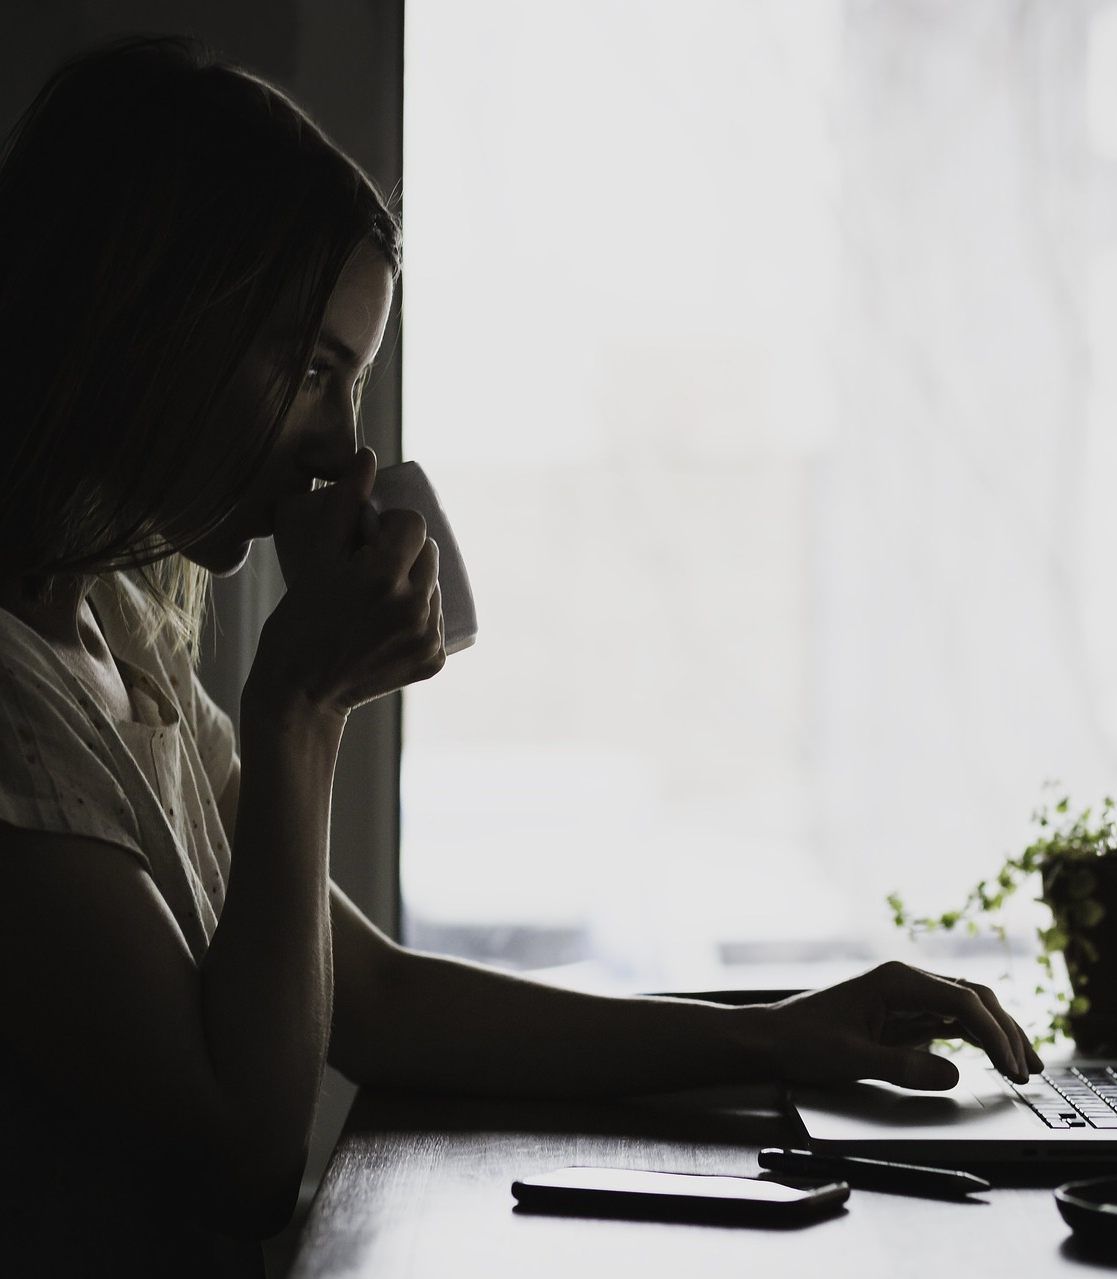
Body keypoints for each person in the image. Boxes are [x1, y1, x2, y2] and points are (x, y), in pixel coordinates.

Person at [0, 35, 1041, 1277]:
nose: (346, 450)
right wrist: (301, 708)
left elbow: (369, 998)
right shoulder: (15, 707)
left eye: (357, 381)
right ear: (157, 317)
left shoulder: (118, 636)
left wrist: (774, 1036)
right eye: (315, 369)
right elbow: (242, 1161)